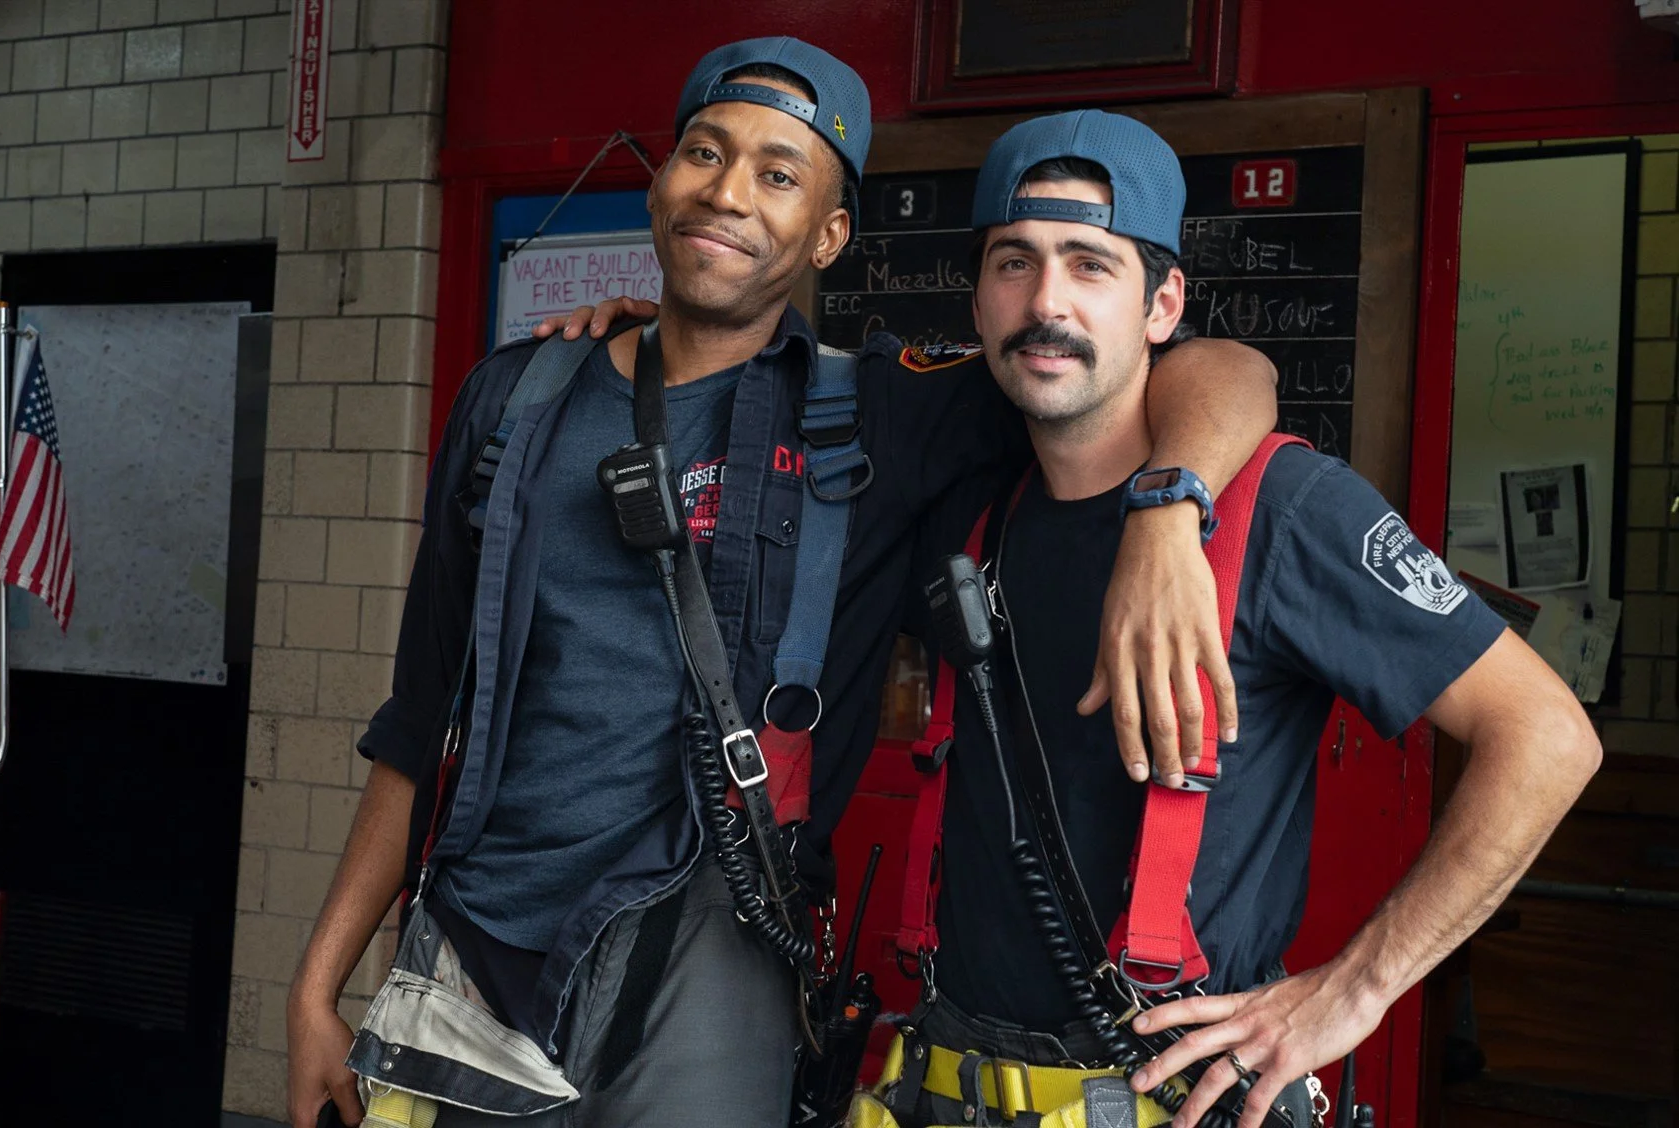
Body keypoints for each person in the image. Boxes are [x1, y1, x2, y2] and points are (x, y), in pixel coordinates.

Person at [286, 39, 1279, 1128]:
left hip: (711, 982)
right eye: (703, 153)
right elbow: (420, 716)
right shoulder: (514, 404)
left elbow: (1224, 369)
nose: (726, 193)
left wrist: (1169, 512)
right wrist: (315, 986)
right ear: (661, 181)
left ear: (830, 234)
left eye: (777, 174)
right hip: (476, 961)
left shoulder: (885, 419)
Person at [843, 110, 1600, 1128]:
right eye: (1013, 263)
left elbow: (1548, 739)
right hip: (939, 1086)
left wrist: (1358, 987)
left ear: (1164, 306)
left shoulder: (1287, 511)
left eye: (1090, 265)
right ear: (979, 303)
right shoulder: (970, 505)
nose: (1046, 301)